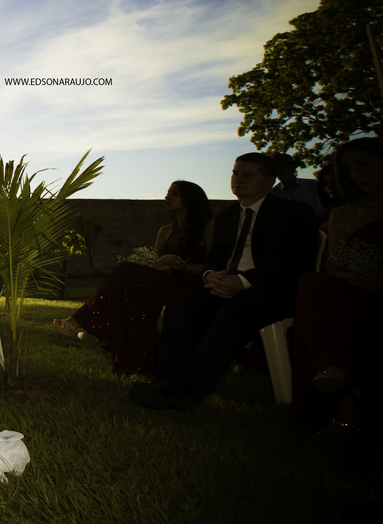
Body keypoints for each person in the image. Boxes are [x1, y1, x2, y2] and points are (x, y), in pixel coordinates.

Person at [130, 153, 318, 410]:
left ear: (268, 182)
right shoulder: (228, 216)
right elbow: (215, 256)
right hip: (223, 283)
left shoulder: (293, 212)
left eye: (247, 175)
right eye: (235, 173)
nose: (238, 179)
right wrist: (210, 276)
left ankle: (188, 392)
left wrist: (243, 282)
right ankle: (168, 383)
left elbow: (295, 260)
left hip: (270, 289)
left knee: (232, 313)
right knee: (179, 307)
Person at [53, 181, 214, 376]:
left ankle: (86, 322)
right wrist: (164, 259)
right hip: (163, 282)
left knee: (125, 270)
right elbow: (155, 264)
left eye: (174, 193)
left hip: (191, 284)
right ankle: (113, 336)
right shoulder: (165, 231)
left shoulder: (208, 228)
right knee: (129, 290)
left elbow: (214, 266)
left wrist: (181, 265)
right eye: (167, 193)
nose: (167, 197)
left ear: (190, 199)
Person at [289, 137, 383, 437]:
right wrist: (354, 277)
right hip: (358, 295)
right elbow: (335, 267)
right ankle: (339, 378)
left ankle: (346, 397)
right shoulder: (344, 214)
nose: (356, 175)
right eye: (349, 169)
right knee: (312, 281)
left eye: (363, 164)